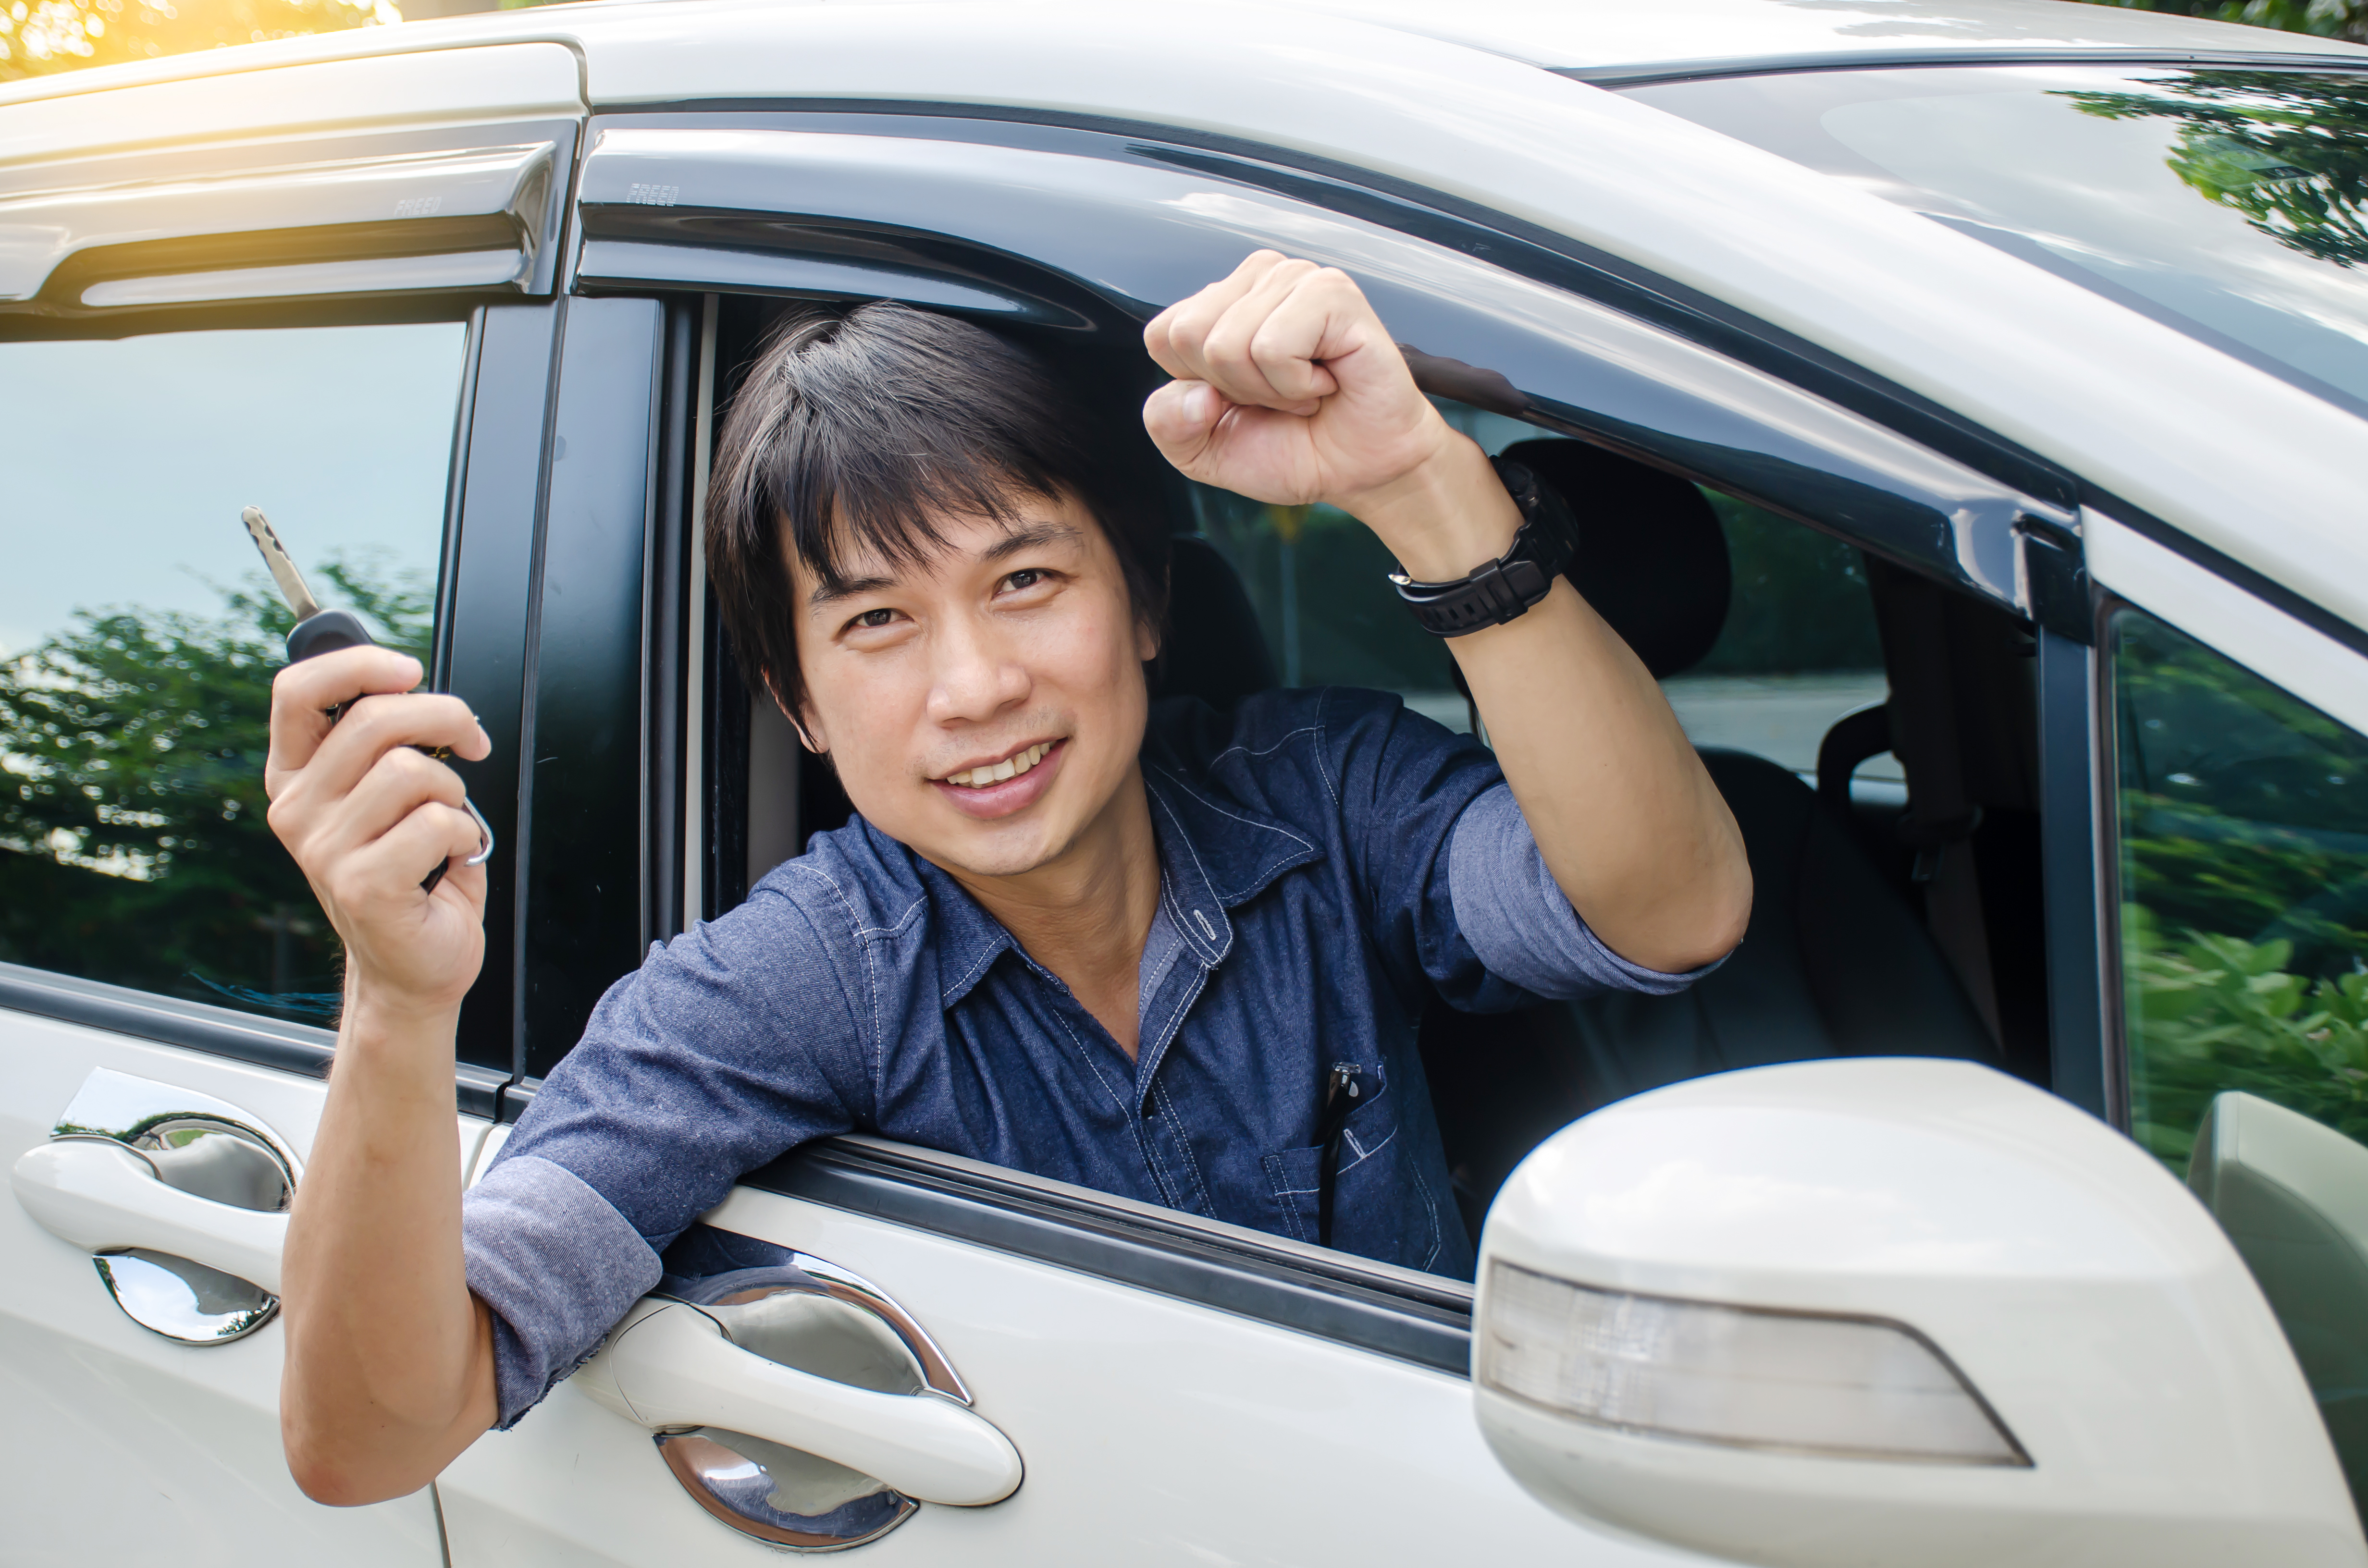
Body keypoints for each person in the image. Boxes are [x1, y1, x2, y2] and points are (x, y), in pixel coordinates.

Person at [265, 252, 1751, 1504]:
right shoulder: (796, 980)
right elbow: (373, 1437)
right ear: (800, 707)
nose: (972, 688)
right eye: (877, 624)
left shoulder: (1320, 791)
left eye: (1026, 582)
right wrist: (397, 1001)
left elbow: (1667, 909)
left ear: (1149, 601)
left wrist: (1421, 480)